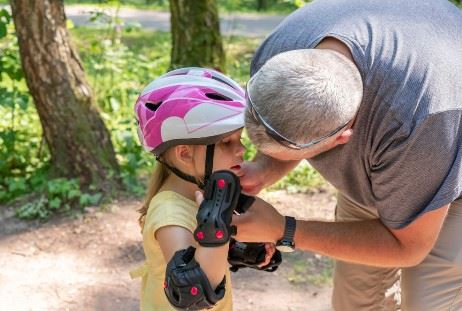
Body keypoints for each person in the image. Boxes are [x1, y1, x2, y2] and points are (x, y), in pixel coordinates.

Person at [232, 0, 462, 310]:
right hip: (386, 157)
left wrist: (284, 229)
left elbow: (408, 248)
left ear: (342, 138)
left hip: (448, 166)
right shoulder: (277, 55)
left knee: (425, 301)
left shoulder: (419, 123)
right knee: (355, 297)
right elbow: (290, 119)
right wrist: (262, 168)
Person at [130, 67, 276, 311]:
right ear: (185, 153)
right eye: (226, 142)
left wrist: (237, 249)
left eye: (239, 139)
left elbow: (200, 252)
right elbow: (192, 289)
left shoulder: (197, 192)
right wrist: (215, 226)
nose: (241, 150)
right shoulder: (170, 216)